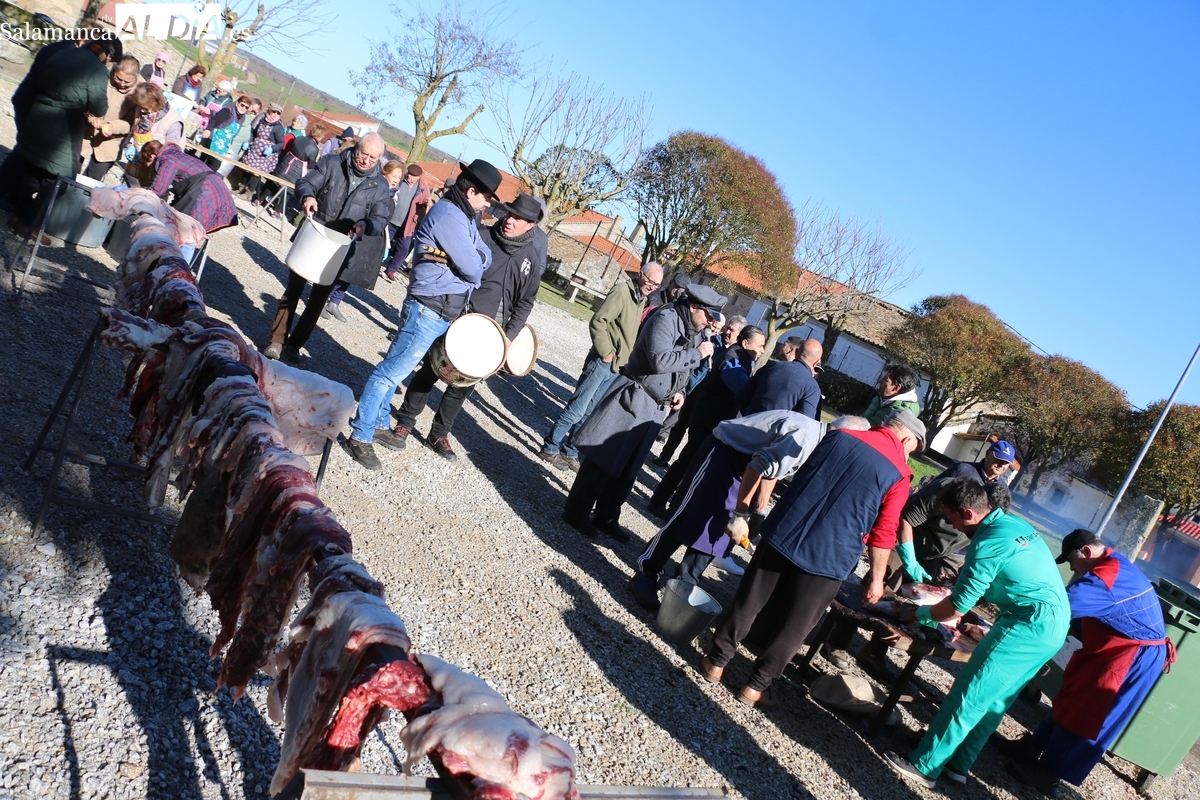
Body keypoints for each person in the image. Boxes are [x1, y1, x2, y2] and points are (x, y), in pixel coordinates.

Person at [701, 408, 924, 707]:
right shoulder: (899, 472)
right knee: (798, 624)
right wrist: (878, 577)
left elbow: (803, 478)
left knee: (750, 599)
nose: (909, 455)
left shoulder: (839, 436)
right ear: (906, 437)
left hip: (786, 530)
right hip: (831, 555)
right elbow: (884, 531)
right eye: (912, 448)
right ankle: (755, 686)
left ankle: (716, 662)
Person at [882, 479, 1070, 789]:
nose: (953, 526)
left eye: (952, 518)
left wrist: (921, 613)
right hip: (1054, 623)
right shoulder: (1012, 523)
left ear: (968, 512)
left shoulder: (987, 544)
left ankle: (925, 765)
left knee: (969, 694)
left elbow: (955, 609)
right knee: (995, 701)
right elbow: (1004, 577)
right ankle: (958, 764)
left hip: (1028, 624)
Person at [340, 158, 503, 470]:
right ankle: (360, 435)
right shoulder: (451, 217)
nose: (487, 205)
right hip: (430, 306)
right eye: (486, 197)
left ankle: (374, 424)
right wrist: (471, 262)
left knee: (398, 369)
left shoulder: (465, 217)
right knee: (390, 371)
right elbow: (473, 268)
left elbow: (483, 255)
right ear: (472, 193)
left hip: (439, 307)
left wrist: (472, 260)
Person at [631, 412, 871, 610]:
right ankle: (647, 571)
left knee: (719, 529)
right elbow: (759, 466)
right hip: (724, 452)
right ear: (842, 435)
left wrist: (759, 511)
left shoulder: (818, 443)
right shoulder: (806, 439)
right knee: (689, 514)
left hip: (746, 465)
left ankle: (684, 581)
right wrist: (741, 515)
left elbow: (771, 471)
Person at [998, 529, 1173, 794]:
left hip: (1131, 657)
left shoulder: (1106, 578)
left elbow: (1058, 607)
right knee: (1071, 695)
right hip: (1111, 646)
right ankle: (1033, 747)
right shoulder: (1112, 562)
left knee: (1087, 712)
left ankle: (1050, 774)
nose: (1073, 569)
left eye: (1072, 562)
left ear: (1087, 552)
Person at [387, 193, 548, 461]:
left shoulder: (531, 259)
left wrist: (508, 337)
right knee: (431, 369)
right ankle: (405, 421)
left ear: (531, 225)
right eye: (508, 213)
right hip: (460, 317)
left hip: (494, 334)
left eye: (518, 218)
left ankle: (439, 433)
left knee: (463, 385)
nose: (509, 220)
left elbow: (526, 302)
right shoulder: (481, 237)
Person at [563, 284, 728, 543]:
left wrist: (680, 391)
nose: (710, 322)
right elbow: (660, 360)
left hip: (654, 405)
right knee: (604, 458)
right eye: (708, 316)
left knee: (629, 468)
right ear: (695, 307)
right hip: (634, 395)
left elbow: (681, 370)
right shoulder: (666, 318)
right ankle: (576, 512)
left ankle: (606, 516)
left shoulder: (694, 329)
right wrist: (697, 354)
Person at [263, 133, 392, 363]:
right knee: (293, 289)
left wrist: (367, 224)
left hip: (341, 247)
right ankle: (277, 340)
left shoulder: (380, 185)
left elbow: (381, 218)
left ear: (379, 158)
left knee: (318, 299)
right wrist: (308, 197)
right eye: (364, 154)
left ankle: (294, 345)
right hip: (315, 234)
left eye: (373, 158)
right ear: (356, 148)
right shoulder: (333, 162)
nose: (366, 161)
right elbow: (305, 183)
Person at [539, 263, 663, 472]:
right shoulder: (622, 292)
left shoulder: (640, 298)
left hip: (616, 366)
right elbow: (598, 321)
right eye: (650, 281)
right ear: (640, 274)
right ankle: (550, 447)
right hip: (602, 361)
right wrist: (605, 351)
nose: (652, 286)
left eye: (657, 284)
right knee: (577, 408)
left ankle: (570, 450)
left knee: (589, 411)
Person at [0, 34, 119, 230]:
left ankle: (19, 215)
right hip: (65, 122)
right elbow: (99, 107)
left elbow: (42, 79)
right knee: (61, 181)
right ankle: (28, 222)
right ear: (107, 54)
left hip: (40, 111)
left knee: (34, 168)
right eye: (109, 62)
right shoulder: (97, 70)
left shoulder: (64, 53)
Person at [648, 325, 767, 519]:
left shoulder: (741, 358)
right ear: (746, 343)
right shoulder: (733, 359)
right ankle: (660, 503)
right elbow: (741, 387)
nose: (761, 351)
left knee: (691, 464)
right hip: (708, 420)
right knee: (689, 463)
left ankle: (670, 504)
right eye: (760, 346)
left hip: (711, 420)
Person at [656, 315, 748, 464]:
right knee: (680, 424)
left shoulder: (737, 355)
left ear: (740, 335)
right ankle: (665, 455)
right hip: (695, 389)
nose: (727, 332)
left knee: (697, 433)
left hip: (710, 398)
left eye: (732, 330)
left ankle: (683, 464)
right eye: (727, 328)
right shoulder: (712, 341)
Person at [324, 158, 404, 321]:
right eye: (394, 175)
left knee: (353, 272)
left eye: (399, 177)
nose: (396, 179)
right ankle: (322, 300)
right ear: (385, 172)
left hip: (373, 239)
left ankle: (335, 302)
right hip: (360, 234)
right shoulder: (376, 188)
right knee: (342, 270)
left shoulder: (393, 196)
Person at [139, 141, 238, 260]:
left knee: (188, 233)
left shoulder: (167, 160)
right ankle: (165, 262)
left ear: (152, 156)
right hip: (213, 189)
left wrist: (138, 195)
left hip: (205, 195)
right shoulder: (176, 154)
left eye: (149, 164)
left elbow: (157, 190)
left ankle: (179, 270)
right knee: (177, 224)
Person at [81, 55, 140, 181]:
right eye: (118, 79)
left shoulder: (139, 92)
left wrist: (112, 126)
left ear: (135, 78)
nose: (122, 84)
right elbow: (84, 102)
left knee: (89, 182)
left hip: (111, 141)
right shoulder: (102, 75)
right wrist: (93, 119)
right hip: (85, 132)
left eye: (127, 82)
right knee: (66, 172)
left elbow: (130, 122)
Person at [736, 338, 823, 418]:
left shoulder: (770, 367)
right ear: (816, 362)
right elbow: (805, 421)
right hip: (775, 433)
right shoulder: (812, 387)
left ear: (796, 352)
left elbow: (742, 395)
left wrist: (750, 417)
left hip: (745, 428)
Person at [253, 116, 322, 215]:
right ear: (318, 135)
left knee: (273, 182)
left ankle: (259, 199)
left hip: (286, 162)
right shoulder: (314, 149)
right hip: (296, 170)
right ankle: (277, 212)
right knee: (288, 191)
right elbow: (310, 165)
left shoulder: (300, 138)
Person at [382, 164, 434, 281]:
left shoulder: (422, 188)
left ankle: (391, 270)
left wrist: (428, 203)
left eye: (412, 175)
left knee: (404, 248)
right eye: (409, 173)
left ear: (418, 177)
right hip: (391, 220)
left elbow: (429, 204)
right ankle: (373, 264)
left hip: (408, 224)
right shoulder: (400, 181)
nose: (409, 176)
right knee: (382, 243)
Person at [126, 82, 184, 155]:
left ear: (155, 103)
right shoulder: (141, 110)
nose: (141, 110)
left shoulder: (173, 121)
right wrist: (130, 145)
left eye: (145, 108)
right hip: (137, 158)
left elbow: (171, 151)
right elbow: (133, 131)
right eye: (140, 107)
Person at [197, 94, 251, 166]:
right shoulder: (228, 111)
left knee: (211, 166)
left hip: (223, 145)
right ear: (237, 103)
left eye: (246, 107)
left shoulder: (242, 118)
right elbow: (214, 120)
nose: (243, 108)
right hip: (213, 139)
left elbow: (233, 133)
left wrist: (230, 144)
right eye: (242, 105)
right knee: (211, 164)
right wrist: (208, 130)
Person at [240, 102, 287, 181]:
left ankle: (249, 191)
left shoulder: (278, 127)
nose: (275, 114)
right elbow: (254, 134)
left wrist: (272, 149)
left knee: (256, 173)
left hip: (265, 155)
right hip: (254, 150)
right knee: (247, 167)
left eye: (278, 113)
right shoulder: (262, 121)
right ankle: (241, 186)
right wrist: (248, 142)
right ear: (269, 111)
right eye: (274, 112)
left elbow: (281, 143)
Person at [943, 439, 1016, 483]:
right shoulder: (962, 470)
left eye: (1006, 462)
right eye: (1000, 459)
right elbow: (933, 490)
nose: (1002, 465)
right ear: (987, 454)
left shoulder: (1002, 487)